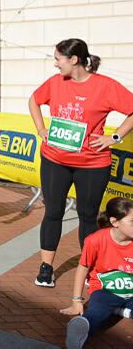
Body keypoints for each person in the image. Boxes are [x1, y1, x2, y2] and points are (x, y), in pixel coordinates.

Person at [29, 38, 133, 287]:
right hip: (55, 159)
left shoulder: (105, 86)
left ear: (74, 60)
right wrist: (41, 129)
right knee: (53, 212)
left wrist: (114, 137)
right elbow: (34, 100)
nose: (55, 65)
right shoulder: (56, 83)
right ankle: (46, 267)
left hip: (92, 163)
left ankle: (90, 267)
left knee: (87, 216)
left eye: (58, 59)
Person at [60, 197, 133, 349]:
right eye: (132, 221)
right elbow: (83, 268)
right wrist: (76, 301)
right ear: (115, 222)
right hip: (105, 292)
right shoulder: (95, 240)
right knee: (96, 313)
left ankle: (122, 309)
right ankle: (78, 333)